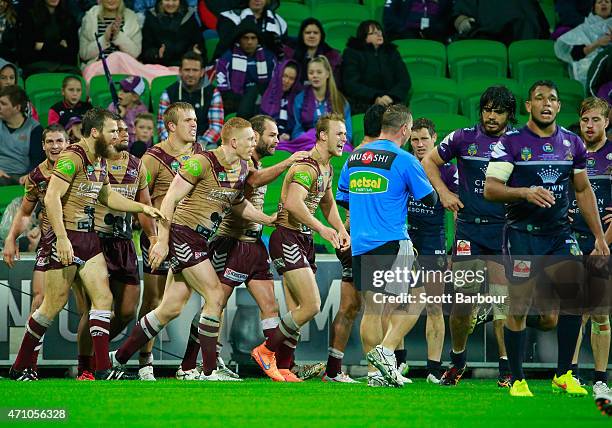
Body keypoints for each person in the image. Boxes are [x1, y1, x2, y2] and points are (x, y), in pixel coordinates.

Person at [110, 116, 276, 381]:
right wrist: (162, 241)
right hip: (183, 235)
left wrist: (267, 219)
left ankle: (118, 358)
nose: (253, 143)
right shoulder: (202, 162)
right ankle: (208, 370)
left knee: (170, 308)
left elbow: (238, 203)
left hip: (200, 240)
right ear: (233, 141)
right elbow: (170, 200)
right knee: (214, 296)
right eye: (249, 139)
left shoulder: (243, 167)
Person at [8, 107, 164, 381]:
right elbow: (51, 198)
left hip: (89, 238)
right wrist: (62, 238)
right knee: (50, 306)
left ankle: (101, 368)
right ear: (95, 132)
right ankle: (20, 365)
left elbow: (106, 196)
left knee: (103, 300)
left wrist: (142, 207)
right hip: (66, 236)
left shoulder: (100, 159)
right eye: (112, 131)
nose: (117, 135)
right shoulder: (72, 158)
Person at [484, 80, 609, 397]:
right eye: (539, 98)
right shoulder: (511, 143)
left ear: (558, 106)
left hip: (559, 235)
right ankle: (517, 379)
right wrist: (524, 192)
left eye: (552, 98)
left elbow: (582, 190)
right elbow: (491, 189)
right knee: (520, 307)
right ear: (529, 106)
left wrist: (599, 237)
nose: (546, 103)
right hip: (523, 235)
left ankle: (565, 375)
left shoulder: (572, 144)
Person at [176, 115, 308, 380]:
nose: (277, 140)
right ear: (255, 137)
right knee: (215, 304)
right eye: (272, 135)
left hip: (254, 243)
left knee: (270, 305)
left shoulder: (252, 161)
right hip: (230, 242)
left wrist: (269, 220)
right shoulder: (241, 161)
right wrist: (288, 162)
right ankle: (189, 364)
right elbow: (253, 182)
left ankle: (280, 365)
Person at [422, 85, 516, 387]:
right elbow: (429, 162)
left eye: (498, 111)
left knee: (503, 303)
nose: (491, 116)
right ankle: (459, 359)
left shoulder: (519, 143)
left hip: (504, 230)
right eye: (487, 109)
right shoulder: (463, 137)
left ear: (509, 114)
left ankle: (506, 368)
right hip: (469, 230)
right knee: (463, 302)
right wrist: (444, 192)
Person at [336, 104, 435, 387]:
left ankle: (374, 374)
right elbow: (429, 200)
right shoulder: (403, 159)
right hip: (392, 240)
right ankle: (387, 350)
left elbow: (343, 197)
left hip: (361, 243)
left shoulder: (354, 157)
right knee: (419, 296)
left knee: (373, 309)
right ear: (404, 129)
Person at [251, 113, 349, 382]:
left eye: (345, 134)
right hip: (287, 237)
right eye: (338, 134)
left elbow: (327, 204)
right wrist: (323, 229)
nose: (344, 139)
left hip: (303, 240)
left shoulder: (326, 167)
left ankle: (283, 367)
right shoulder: (306, 166)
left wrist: (340, 229)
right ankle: (266, 351)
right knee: (311, 305)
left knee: (297, 308)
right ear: (322, 136)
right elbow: (294, 204)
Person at [74, 117, 157, 381]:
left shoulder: (136, 165)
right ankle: (87, 368)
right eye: (117, 129)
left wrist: (153, 238)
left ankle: (101, 357)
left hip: (124, 243)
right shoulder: (91, 162)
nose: (123, 133)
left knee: (126, 311)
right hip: (94, 240)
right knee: (95, 310)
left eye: (125, 129)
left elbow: (144, 205)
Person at [136, 102, 206, 378]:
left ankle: (189, 364)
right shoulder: (152, 158)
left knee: (214, 297)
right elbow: (142, 203)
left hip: (193, 238)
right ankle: (144, 362)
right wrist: (155, 238)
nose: (194, 125)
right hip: (161, 238)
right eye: (187, 120)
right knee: (154, 300)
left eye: (195, 120)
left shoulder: (202, 154)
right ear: (171, 126)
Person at [321, 107, 387, 384]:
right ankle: (379, 370)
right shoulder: (386, 158)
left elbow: (344, 201)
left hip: (352, 238)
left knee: (350, 306)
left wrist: (344, 229)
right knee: (377, 306)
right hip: (371, 241)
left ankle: (334, 370)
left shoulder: (353, 158)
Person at [2, 124, 70, 370]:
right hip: (50, 243)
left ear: (67, 143)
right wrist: (10, 239)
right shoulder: (36, 176)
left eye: (59, 141)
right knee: (39, 300)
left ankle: (88, 367)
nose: (55, 146)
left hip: (82, 242)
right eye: (50, 142)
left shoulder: (80, 169)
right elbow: (24, 212)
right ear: (42, 145)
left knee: (91, 306)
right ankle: (29, 365)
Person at [407, 117, 457, 383]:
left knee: (434, 305)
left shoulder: (446, 170)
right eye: (414, 139)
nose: (419, 144)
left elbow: (457, 209)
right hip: (405, 239)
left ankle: (433, 370)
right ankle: (398, 363)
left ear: (435, 138)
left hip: (433, 242)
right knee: (397, 303)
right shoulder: (404, 163)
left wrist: (456, 248)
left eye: (424, 138)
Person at [569, 97, 611, 396]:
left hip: (605, 243)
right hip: (573, 239)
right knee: (573, 310)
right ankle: (570, 375)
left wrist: (602, 243)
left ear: (607, 122)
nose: (590, 125)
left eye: (596, 120)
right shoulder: (571, 151)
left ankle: (599, 377)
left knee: (598, 311)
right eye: (585, 120)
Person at [341, 20, 411, 115]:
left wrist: (391, 96)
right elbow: (351, 84)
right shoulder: (352, 53)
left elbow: (404, 80)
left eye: (379, 31)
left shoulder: (391, 52)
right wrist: (375, 97)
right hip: (364, 103)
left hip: (391, 102)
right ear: (364, 37)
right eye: (373, 33)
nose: (379, 34)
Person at [157, 51, 223, 148]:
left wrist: (199, 145)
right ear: (180, 71)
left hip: (203, 144)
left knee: (212, 148)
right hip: (174, 143)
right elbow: (162, 126)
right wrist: (176, 143)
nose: (191, 74)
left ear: (202, 72)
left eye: (195, 70)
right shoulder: (169, 92)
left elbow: (216, 126)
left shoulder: (213, 92)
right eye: (187, 70)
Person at [289, 56, 352, 149]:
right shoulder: (299, 99)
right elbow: (296, 131)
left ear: (327, 74)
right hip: (307, 143)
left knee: (345, 149)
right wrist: (313, 138)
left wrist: (330, 139)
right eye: (311, 73)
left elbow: (348, 134)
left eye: (319, 72)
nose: (315, 75)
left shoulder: (340, 100)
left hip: (335, 143)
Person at [215, 22, 276, 118]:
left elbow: (274, 84)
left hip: (263, 99)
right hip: (235, 101)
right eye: (245, 38)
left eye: (253, 38)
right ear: (239, 40)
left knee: (254, 89)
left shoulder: (269, 57)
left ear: (258, 40)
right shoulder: (227, 58)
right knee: (252, 90)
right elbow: (223, 87)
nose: (249, 42)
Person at [554, 0, 611, 88]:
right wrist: (598, 43)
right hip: (592, 69)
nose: (603, 4)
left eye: (607, 2)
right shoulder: (584, 29)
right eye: (599, 2)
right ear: (593, 8)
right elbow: (574, 54)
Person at [19, 0, 80, 76]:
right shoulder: (29, 17)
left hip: (65, 66)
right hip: (37, 66)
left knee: (74, 76)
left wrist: (42, 46)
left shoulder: (69, 18)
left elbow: (73, 51)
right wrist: (60, 47)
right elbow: (26, 51)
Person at [0, 85, 44, 185]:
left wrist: (28, 176)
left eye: (3, 104)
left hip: (20, 176)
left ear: (17, 107)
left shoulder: (35, 129)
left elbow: (37, 160)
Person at [215, 0, 287, 59]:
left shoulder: (279, 22)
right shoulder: (229, 18)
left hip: (269, 65)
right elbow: (224, 47)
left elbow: (282, 50)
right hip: (232, 63)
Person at [141, 0, 205, 67]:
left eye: (174, 0)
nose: (171, 4)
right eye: (167, 0)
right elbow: (146, 49)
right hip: (159, 66)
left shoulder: (189, 16)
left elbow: (199, 45)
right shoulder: (151, 17)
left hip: (185, 66)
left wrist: (194, 52)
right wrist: (156, 53)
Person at [452, 0, 549, 44]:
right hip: (486, 39)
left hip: (523, 41)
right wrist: (463, 22)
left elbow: (540, 26)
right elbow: (458, 17)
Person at [79, 0, 142, 67]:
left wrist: (117, 36)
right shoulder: (90, 18)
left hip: (125, 67)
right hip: (98, 67)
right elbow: (84, 55)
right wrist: (104, 39)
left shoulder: (131, 17)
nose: (111, 0)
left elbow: (135, 53)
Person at [285, 18, 342, 86]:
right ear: (302, 35)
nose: (312, 36)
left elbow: (333, 85)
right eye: (308, 33)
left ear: (321, 36)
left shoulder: (332, 58)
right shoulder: (290, 54)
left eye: (316, 33)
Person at [260, 59, 301, 141]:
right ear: (279, 75)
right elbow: (261, 126)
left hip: (290, 141)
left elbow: (298, 125)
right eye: (284, 76)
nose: (287, 81)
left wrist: (289, 135)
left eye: (291, 78)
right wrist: (277, 137)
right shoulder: (268, 95)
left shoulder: (297, 98)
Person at [383, 0, 453, 42]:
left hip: (434, 39)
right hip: (403, 36)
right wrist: (404, 31)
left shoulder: (444, 2)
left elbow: (448, 19)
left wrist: (437, 29)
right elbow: (388, 18)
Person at [108, 75, 149, 144]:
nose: (120, 93)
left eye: (125, 91)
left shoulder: (142, 111)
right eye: (120, 89)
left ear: (135, 97)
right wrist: (119, 117)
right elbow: (107, 130)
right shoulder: (113, 106)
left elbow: (145, 138)